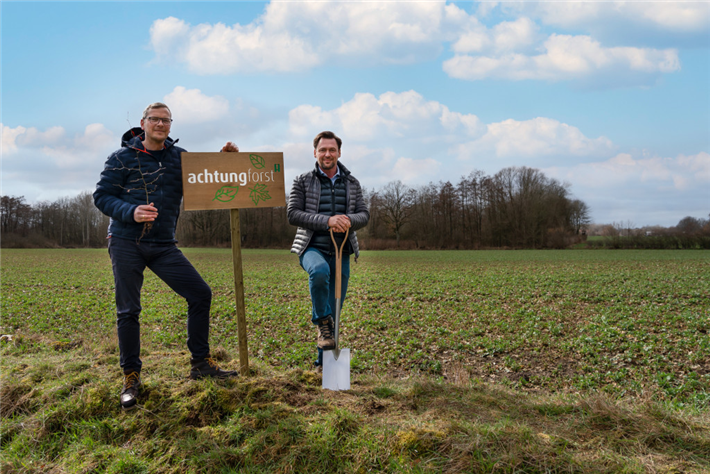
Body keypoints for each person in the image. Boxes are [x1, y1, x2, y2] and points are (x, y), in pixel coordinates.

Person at [94, 102, 239, 411]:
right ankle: (131, 377)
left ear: (171, 126)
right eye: (155, 119)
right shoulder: (121, 158)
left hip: (163, 245)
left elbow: (208, 177)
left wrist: (224, 160)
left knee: (200, 294)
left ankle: (200, 363)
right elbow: (101, 197)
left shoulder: (180, 158)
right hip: (125, 241)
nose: (160, 124)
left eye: (166, 120)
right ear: (143, 123)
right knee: (129, 311)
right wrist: (131, 211)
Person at [287, 131, 370, 370]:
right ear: (315, 153)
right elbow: (293, 214)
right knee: (320, 272)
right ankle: (321, 320)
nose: (327, 154)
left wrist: (348, 220)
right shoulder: (302, 181)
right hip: (312, 246)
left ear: (339, 153)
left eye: (332, 150)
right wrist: (327, 221)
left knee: (335, 308)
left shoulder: (352, 183)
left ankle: (323, 365)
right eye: (322, 150)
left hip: (342, 249)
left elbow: (364, 215)